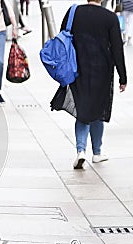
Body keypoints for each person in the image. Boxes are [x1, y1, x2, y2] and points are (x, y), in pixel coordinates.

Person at [54, 0, 127, 169]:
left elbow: (62, 37)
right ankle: (97, 152)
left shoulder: (74, 12)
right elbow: (117, 49)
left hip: (77, 69)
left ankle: (81, 150)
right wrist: (123, 77)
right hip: (101, 70)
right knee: (97, 109)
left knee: (83, 109)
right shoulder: (110, 17)